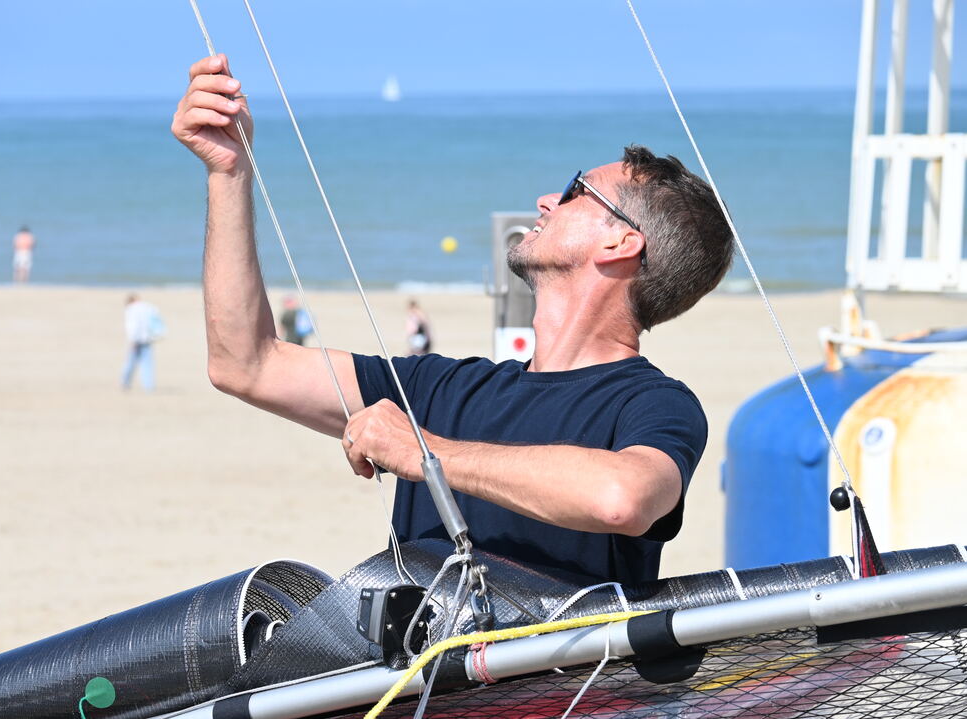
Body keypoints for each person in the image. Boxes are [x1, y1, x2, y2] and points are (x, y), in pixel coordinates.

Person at [172, 55, 734, 582]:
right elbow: (245, 364)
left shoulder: (654, 404)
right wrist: (228, 173)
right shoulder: (440, 386)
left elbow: (622, 498)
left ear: (620, 242)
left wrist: (425, 453)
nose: (546, 200)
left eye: (575, 191)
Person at [122, 293, 165, 392]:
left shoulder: (131, 309)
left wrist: (133, 340)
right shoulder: (148, 307)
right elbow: (156, 318)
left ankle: (125, 382)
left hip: (137, 340)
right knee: (147, 364)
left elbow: (133, 326)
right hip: (147, 339)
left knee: (131, 362)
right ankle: (148, 386)